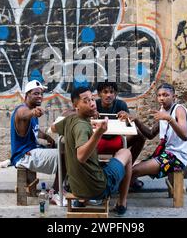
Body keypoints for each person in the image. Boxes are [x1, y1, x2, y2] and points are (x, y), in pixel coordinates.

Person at [52, 86, 132, 216]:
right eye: (86, 101)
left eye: (92, 99)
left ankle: (83, 200)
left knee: (101, 162)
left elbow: (53, 128)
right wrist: (99, 132)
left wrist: (89, 123)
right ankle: (122, 203)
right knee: (125, 152)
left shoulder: (70, 119)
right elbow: (81, 157)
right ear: (76, 105)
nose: (92, 103)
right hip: (98, 188)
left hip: (76, 188)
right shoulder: (82, 126)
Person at [118, 84, 187, 185]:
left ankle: (121, 195)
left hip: (177, 157)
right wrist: (136, 120)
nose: (162, 98)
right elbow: (150, 134)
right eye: (159, 95)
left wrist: (169, 119)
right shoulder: (163, 110)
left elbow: (185, 136)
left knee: (134, 170)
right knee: (131, 170)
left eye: (165, 95)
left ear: (174, 97)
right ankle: (129, 186)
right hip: (165, 153)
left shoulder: (179, 110)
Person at [95, 81, 146, 190]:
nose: (109, 95)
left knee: (140, 137)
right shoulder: (94, 105)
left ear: (116, 94)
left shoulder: (121, 105)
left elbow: (129, 127)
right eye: (105, 92)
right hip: (98, 142)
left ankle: (127, 170)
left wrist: (127, 117)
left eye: (111, 92)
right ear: (99, 94)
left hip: (116, 140)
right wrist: (91, 116)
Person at [10, 80, 60, 190]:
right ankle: (57, 191)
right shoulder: (22, 110)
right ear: (27, 95)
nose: (40, 96)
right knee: (64, 157)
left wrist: (47, 137)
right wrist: (33, 113)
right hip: (23, 156)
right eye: (36, 93)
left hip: (31, 151)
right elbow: (23, 115)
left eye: (41, 94)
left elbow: (35, 131)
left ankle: (61, 186)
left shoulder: (31, 110)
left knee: (64, 151)